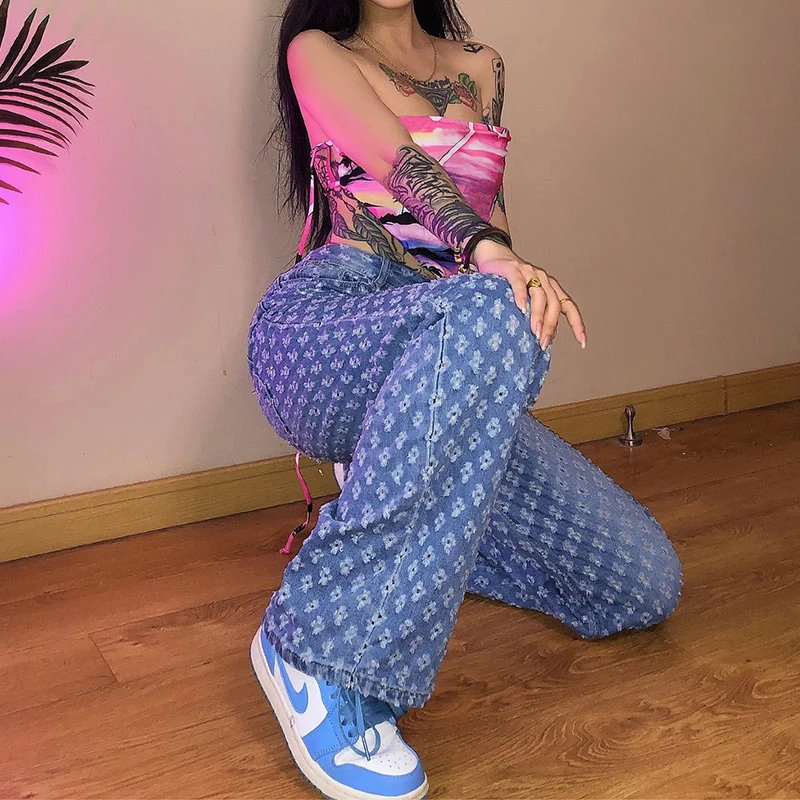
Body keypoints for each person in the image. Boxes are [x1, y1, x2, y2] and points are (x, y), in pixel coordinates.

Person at [246, 2, 683, 799]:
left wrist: (503, 267)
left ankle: (412, 506)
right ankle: (315, 654)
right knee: (494, 303)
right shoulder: (317, 51)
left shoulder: (481, 66)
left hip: (450, 342)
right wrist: (490, 260)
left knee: (639, 584)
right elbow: (400, 162)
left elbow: (493, 214)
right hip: (329, 328)